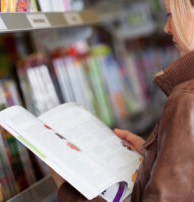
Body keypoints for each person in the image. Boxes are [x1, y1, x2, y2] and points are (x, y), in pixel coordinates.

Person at [52, 0, 194, 201]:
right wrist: (155, 156)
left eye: (170, 15)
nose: (167, 28)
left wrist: (70, 190)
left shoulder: (186, 100)